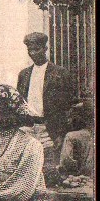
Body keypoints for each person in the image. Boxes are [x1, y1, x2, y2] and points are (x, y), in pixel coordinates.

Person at [17, 32, 74, 169]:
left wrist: (61, 133)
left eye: (36, 49)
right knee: (26, 167)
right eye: (30, 50)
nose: (33, 53)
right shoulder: (24, 75)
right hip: (28, 127)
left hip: (49, 129)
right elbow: (19, 102)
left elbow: (67, 106)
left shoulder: (60, 73)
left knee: (48, 168)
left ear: (45, 49)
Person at [59, 99, 94, 177]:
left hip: (80, 178)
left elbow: (66, 161)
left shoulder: (72, 136)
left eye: (70, 117)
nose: (69, 121)